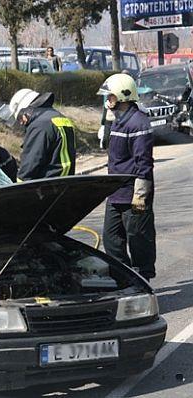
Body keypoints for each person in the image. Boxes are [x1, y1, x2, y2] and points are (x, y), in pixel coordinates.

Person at [97, 73, 156, 282]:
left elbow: (144, 162)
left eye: (109, 96)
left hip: (133, 193)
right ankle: (125, 277)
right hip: (115, 194)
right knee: (111, 240)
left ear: (122, 96)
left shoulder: (138, 123)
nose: (106, 101)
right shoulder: (117, 121)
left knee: (138, 238)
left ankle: (142, 279)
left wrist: (140, 195)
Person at [6, 88, 76, 181]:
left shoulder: (39, 125)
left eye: (19, 118)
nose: (22, 123)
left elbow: (31, 162)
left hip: (47, 188)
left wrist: (20, 185)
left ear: (26, 110)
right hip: (65, 183)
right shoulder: (59, 118)